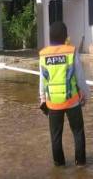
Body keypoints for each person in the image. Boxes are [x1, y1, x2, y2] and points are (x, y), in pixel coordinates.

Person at [39, 22, 90, 166]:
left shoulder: (44, 54)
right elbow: (80, 77)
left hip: (53, 102)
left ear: (50, 36)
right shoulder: (71, 51)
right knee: (78, 132)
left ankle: (59, 166)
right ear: (64, 36)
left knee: (55, 137)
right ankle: (80, 163)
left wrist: (42, 98)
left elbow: (42, 79)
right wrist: (86, 95)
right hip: (72, 100)